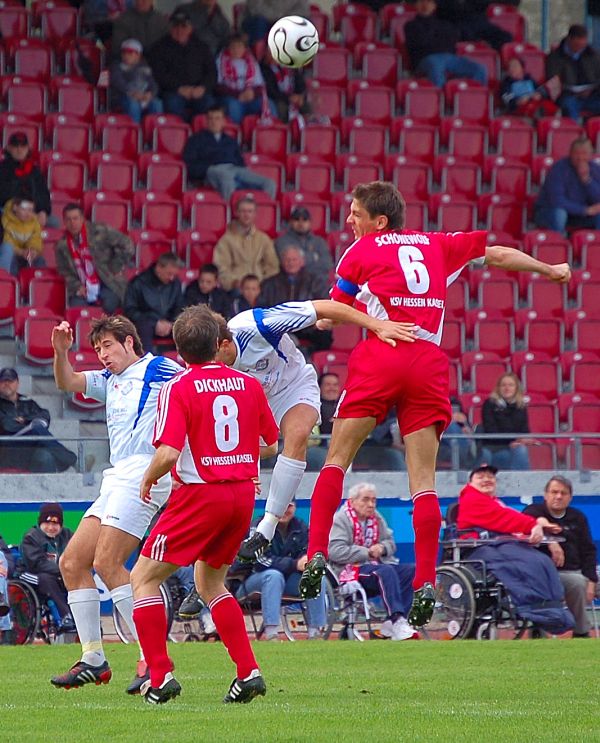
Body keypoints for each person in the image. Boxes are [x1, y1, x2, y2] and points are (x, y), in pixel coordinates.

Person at [297, 180, 571, 629]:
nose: (349, 220)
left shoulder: (361, 251)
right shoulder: (437, 245)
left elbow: (332, 310)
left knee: (336, 459)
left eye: (355, 213)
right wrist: (550, 269)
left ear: (379, 221)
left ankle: (315, 553)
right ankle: (426, 581)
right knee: (423, 481)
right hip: (427, 360)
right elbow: (498, 254)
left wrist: (315, 320)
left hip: (383, 352)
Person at [129, 304, 280, 704]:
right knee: (211, 583)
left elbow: (168, 452)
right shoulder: (248, 384)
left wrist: (149, 477)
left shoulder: (177, 387)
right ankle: (248, 672)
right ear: (218, 344)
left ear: (179, 350)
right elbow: (271, 444)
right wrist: (235, 458)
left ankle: (159, 676)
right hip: (241, 495)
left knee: (143, 578)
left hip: (200, 494)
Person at [212, 299, 414, 563]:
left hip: (293, 385)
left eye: (212, 355)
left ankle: (267, 526)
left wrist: (377, 325)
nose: (209, 363)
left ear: (225, 344)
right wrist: (246, 461)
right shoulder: (208, 367)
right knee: (266, 451)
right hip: (254, 401)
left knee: (297, 436)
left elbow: (323, 307)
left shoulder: (257, 325)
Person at [50, 315, 181, 693]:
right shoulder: (109, 379)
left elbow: (195, 388)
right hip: (117, 476)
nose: (103, 355)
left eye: (108, 345)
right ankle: (93, 657)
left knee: (107, 562)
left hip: (146, 472)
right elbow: (67, 382)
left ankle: (152, 659)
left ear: (129, 342)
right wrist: (61, 352)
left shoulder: (159, 369)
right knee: (72, 562)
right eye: (97, 349)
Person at [454, 464, 575, 634]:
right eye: (481, 477)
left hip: (498, 544)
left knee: (541, 560)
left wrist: (534, 528)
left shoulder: (495, 502)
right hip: (478, 549)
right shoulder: (472, 499)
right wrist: (532, 525)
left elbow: (510, 519)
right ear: (470, 483)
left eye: (490, 477)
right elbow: (504, 518)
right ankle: (537, 608)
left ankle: (552, 608)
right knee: (526, 562)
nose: (487, 480)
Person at [328, 483, 417, 641]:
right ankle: (396, 619)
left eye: (374, 500)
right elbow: (334, 551)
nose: (371, 504)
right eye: (366, 500)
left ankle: (394, 622)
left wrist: (382, 548)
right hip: (347, 572)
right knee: (385, 571)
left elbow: (390, 542)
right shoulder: (340, 519)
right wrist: (366, 552)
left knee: (410, 570)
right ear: (352, 501)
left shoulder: (376, 517)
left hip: (373, 568)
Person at [234, 501, 327, 641]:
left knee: (316, 575)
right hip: (248, 582)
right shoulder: (259, 526)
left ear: (295, 507)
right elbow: (260, 561)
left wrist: (309, 560)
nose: (284, 510)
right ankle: (272, 633)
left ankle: (315, 632)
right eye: (281, 505)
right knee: (273, 576)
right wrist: (295, 564)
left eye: (289, 506)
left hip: (285, 582)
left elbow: (310, 551)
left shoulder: (300, 527)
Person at [524, 475, 598, 638]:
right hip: (549, 575)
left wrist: (592, 581)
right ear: (546, 495)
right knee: (576, 583)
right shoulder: (535, 511)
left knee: (581, 581)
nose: (558, 496)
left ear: (570, 497)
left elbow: (588, 551)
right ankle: (581, 632)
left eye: (563, 493)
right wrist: (550, 540)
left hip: (580, 571)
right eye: (554, 492)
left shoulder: (578, 517)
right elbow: (531, 518)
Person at [183, 105, 276, 200]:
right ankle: (229, 207)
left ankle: (265, 208)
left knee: (269, 183)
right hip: (213, 170)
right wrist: (207, 169)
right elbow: (190, 165)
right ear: (206, 121)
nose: (213, 122)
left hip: (235, 170)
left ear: (223, 121)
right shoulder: (195, 140)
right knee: (226, 177)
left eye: (217, 118)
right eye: (210, 118)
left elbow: (240, 162)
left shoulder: (230, 141)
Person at [55, 204, 135, 314]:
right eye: (68, 220)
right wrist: (77, 286)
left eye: (75, 218)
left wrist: (115, 266)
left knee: (109, 305)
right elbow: (63, 271)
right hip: (83, 286)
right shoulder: (62, 246)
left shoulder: (99, 231)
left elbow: (127, 244)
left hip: (108, 283)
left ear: (82, 219)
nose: (72, 223)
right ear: (64, 222)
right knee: (77, 310)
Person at [0, 367, 77, 474]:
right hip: (7, 447)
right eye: (3, 381)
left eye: (10, 381)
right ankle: (72, 460)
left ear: (17, 383)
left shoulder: (27, 402)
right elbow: (7, 425)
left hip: (29, 449)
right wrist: (31, 427)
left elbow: (44, 415)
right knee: (37, 429)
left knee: (45, 455)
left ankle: (61, 469)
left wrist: (26, 420)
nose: (7, 384)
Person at [147, 8, 216, 121]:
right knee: (172, 104)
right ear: (170, 27)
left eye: (184, 26)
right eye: (175, 26)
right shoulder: (159, 48)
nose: (179, 30)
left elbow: (212, 72)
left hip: (198, 91)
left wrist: (202, 87)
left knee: (209, 104)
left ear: (190, 28)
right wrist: (179, 88)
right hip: (173, 92)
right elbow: (159, 74)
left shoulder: (202, 47)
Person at [404, 0, 487, 89]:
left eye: (429, 2)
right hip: (426, 59)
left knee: (479, 69)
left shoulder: (444, 23)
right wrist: (439, 37)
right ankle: (440, 96)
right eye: (421, 2)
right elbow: (422, 43)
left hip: (449, 57)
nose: (425, 5)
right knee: (436, 65)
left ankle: (473, 95)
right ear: (415, 5)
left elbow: (454, 37)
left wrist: (436, 38)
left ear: (434, 5)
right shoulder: (410, 25)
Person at [20, 503, 75, 631]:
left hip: (59, 574)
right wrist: (63, 570)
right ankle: (65, 616)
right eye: (47, 523)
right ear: (40, 523)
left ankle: (83, 615)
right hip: (29, 574)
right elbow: (37, 564)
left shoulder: (68, 535)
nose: (51, 528)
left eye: (55, 524)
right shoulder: (31, 537)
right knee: (46, 579)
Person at [534, 137, 600, 235]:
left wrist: (587, 180)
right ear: (570, 153)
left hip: (579, 215)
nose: (580, 158)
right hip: (550, 212)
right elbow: (557, 201)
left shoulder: (595, 169)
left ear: (590, 155)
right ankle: (557, 242)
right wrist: (584, 210)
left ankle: (595, 242)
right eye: (577, 153)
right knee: (560, 213)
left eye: (584, 153)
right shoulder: (558, 169)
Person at [212, 196, 279, 292]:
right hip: (237, 288)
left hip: (260, 286)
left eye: (250, 211)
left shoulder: (263, 239)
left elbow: (272, 266)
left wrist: (263, 283)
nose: (246, 215)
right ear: (237, 213)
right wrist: (233, 282)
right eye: (243, 211)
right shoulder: (226, 240)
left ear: (255, 214)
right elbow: (221, 268)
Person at [124, 252, 183, 353]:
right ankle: (146, 359)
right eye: (169, 274)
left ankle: (185, 359)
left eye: (174, 275)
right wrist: (155, 322)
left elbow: (179, 306)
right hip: (146, 323)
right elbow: (130, 310)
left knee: (186, 326)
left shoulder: (175, 283)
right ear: (159, 268)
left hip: (169, 323)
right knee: (144, 326)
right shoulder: (139, 282)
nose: (171, 278)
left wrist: (171, 322)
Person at [545, 24, 600, 121]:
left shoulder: (593, 55)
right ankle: (573, 130)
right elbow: (552, 80)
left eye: (583, 45)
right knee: (569, 106)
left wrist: (593, 89)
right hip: (568, 96)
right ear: (569, 39)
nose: (580, 48)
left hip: (592, 95)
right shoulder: (555, 57)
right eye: (577, 45)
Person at [479, 372, 530, 471]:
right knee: (517, 451)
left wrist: (521, 440)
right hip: (494, 448)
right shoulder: (489, 404)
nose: (507, 388)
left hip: (513, 448)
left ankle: (520, 480)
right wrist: (512, 441)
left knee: (521, 450)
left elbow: (525, 430)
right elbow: (491, 430)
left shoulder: (521, 406)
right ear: (498, 388)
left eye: (511, 385)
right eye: (503, 385)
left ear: (516, 388)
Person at [215, 34, 271, 124]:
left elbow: (260, 86)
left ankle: (269, 128)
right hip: (231, 97)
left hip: (250, 97)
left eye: (239, 46)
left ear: (245, 48)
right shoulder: (220, 61)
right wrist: (237, 95)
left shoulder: (252, 61)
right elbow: (218, 86)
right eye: (233, 47)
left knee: (269, 104)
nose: (236, 50)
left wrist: (252, 93)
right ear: (228, 48)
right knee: (233, 106)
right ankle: (237, 130)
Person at [0, 132, 52, 228]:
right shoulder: (2, 169)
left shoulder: (34, 170)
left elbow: (44, 194)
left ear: (28, 148)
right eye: (15, 146)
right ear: (9, 148)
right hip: (8, 212)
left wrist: (43, 211)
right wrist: (20, 210)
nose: (19, 150)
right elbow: (3, 195)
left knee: (55, 223)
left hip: (33, 212)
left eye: (23, 146)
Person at [109, 38, 163, 123]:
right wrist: (133, 93)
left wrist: (150, 94)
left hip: (143, 97)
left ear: (138, 55)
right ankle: (134, 129)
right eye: (124, 52)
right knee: (133, 105)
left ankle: (154, 129)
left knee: (157, 103)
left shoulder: (144, 67)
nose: (126, 55)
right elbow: (118, 82)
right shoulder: (117, 67)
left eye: (130, 53)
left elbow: (153, 84)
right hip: (123, 97)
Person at [274, 207, 332, 279]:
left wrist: (302, 260)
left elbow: (327, 264)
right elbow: (289, 265)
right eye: (297, 219)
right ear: (290, 222)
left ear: (310, 222)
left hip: (317, 281)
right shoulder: (282, 241)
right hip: (292, 281)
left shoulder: (319, 241)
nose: (301, 223)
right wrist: (314, 257)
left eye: (305, 220)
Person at [435, 0, 512, 51]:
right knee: (464, 34)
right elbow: (443, 10)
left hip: (478, 22)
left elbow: (483, 5)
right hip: (456, 23)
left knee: (505, 36)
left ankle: (495, 59)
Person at [260, 46, 309, 124]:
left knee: (308, 104)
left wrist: (300, 96)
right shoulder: (264, 69)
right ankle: (284, 129)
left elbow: (300, 82)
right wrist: (289, 98)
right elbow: (271, 91)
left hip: (293, 97)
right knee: (281, 108)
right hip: (277, 99)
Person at [0, 193, 45, 276]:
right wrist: (21, 252)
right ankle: (11, 281)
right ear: (15, 207)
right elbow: (7, 243)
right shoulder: (5, 221)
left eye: (30, 210)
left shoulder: (34, 223)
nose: (28, 214)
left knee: (40, 260)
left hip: (26, 254)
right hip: (14, 254)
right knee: (11, 259)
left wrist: (32, 250)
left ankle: (37, 282)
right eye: (24, 209)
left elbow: (36, 240)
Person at [242, 0, 309, 45]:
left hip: (287, 20)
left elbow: (303, 9)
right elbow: (256, 7)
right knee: (259, 24)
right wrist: (277, 17)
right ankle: (257, 59)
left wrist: (284, 19)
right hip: (262, 18)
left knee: (305, 25)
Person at [438, 396, 476, 469]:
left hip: (466, 448)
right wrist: (450, 420)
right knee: (452, 427)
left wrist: (465, 425)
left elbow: (472, 439)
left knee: (485, 454)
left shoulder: (462, 419)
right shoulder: (439, 418)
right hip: (444, 448)